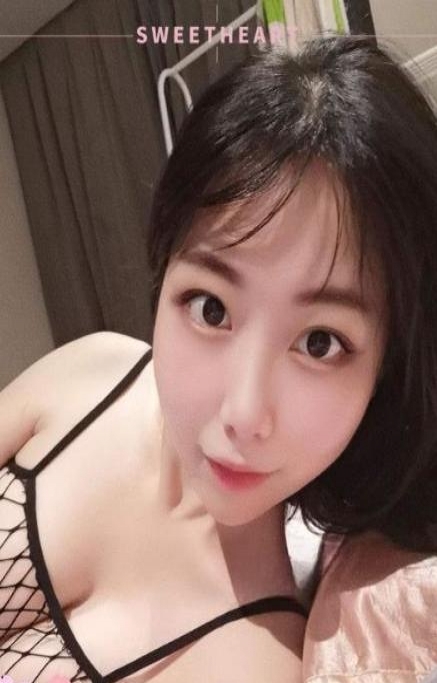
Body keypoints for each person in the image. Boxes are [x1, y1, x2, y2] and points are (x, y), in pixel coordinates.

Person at [1, 35, 437, 683]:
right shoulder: (88, 374)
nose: (242, 412)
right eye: (210, 308)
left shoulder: (257, 664)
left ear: (385, 370)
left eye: (319, 343)